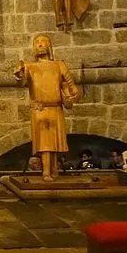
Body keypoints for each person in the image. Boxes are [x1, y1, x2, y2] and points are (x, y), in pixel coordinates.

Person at [13, 34, 81, 181]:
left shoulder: (59, 65)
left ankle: (54, 170)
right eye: (36, 42)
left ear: (49, 46)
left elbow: (72, 87)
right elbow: (22, 81)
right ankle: (46, 172)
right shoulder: (30, 66)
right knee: (45, 142)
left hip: (56, 108)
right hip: (40, 108)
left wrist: (72, 95)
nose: (39, 44)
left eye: (43, 42)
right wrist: (19, 73)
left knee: (55, 142)